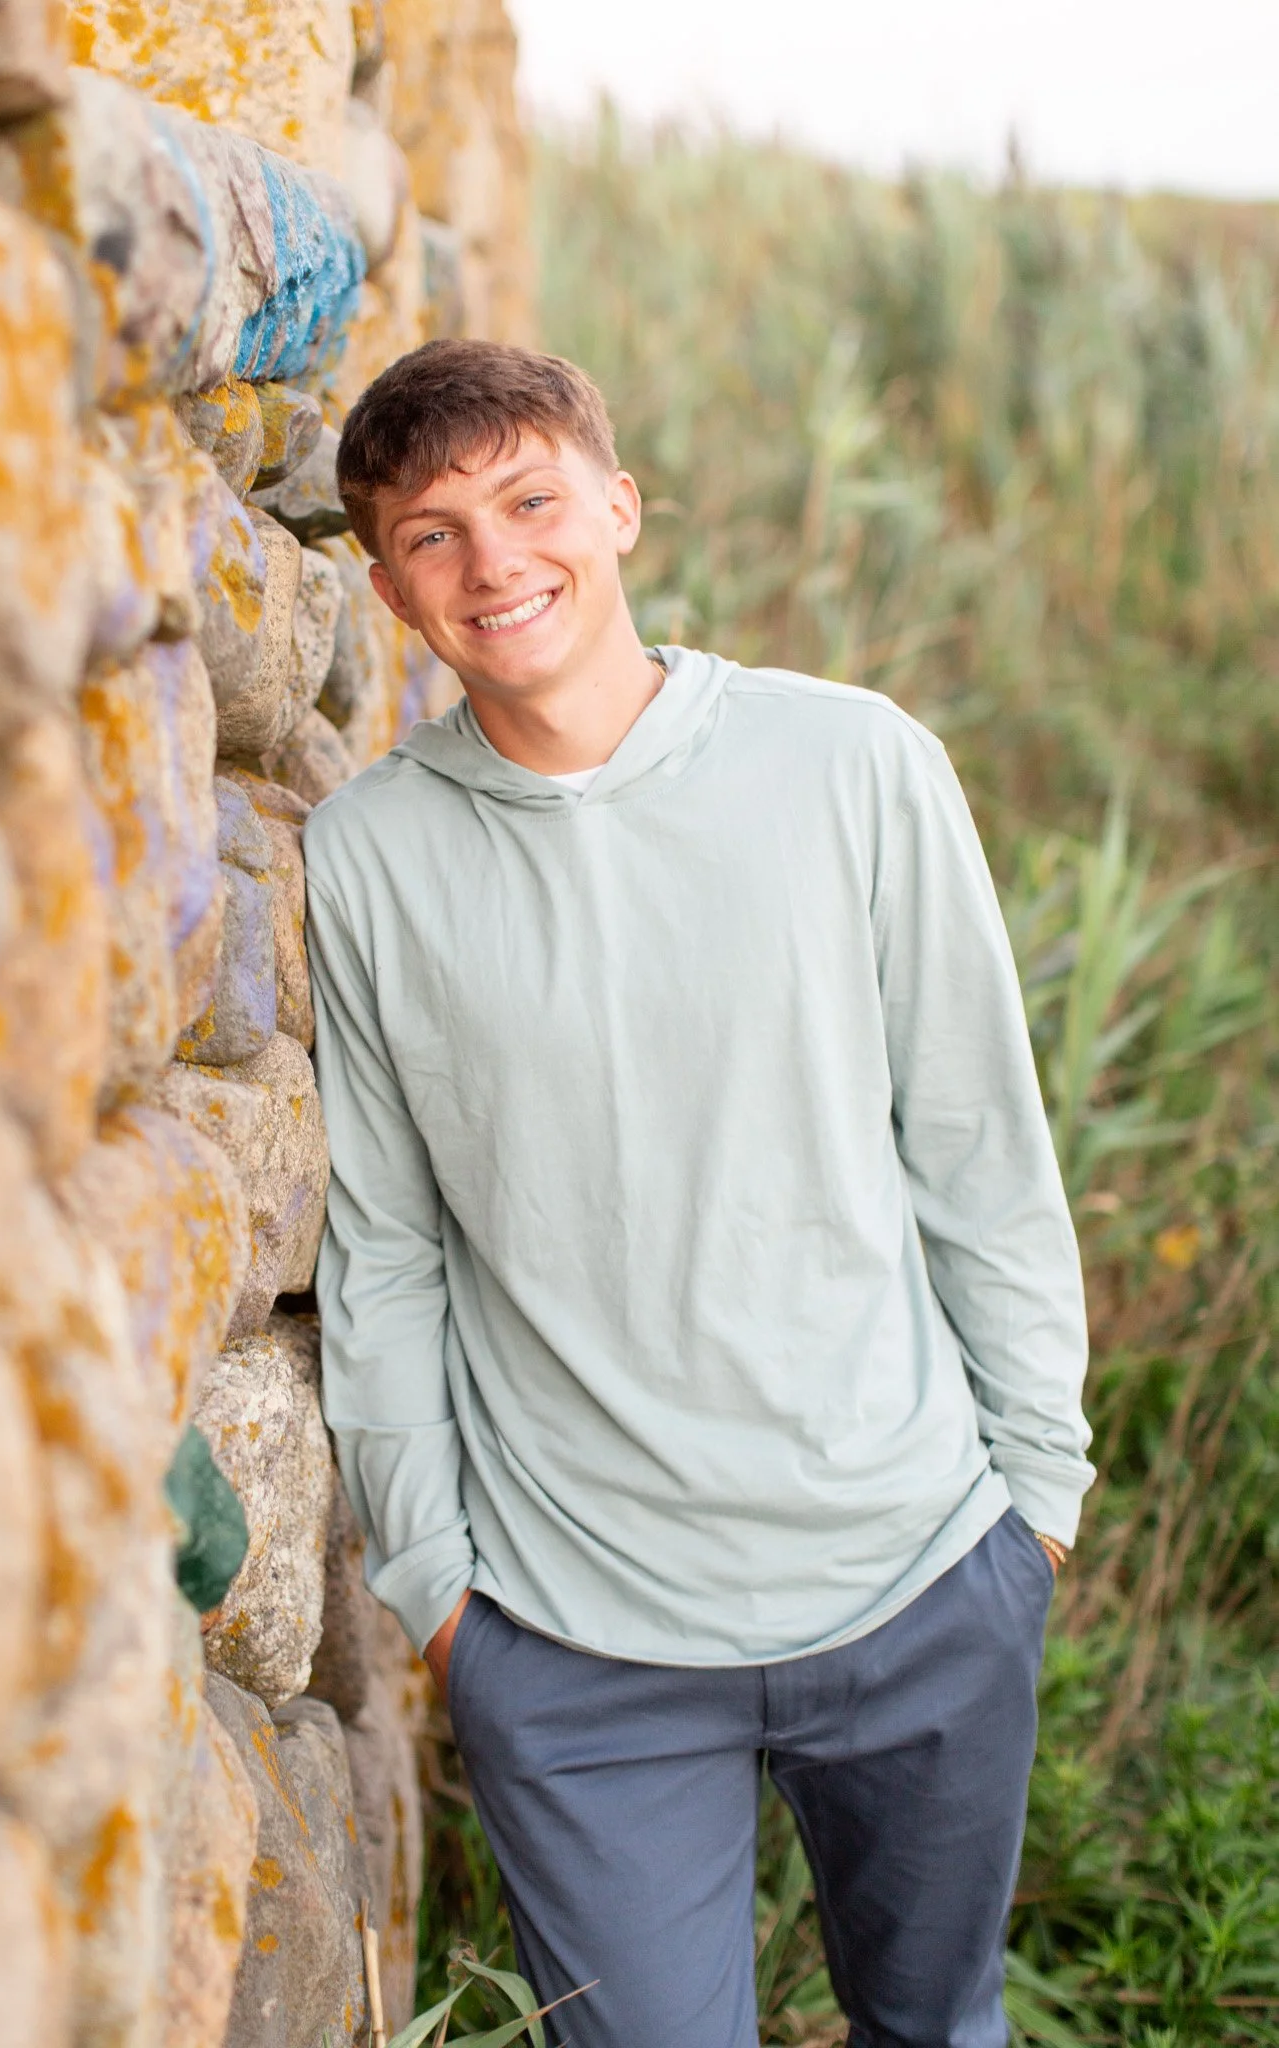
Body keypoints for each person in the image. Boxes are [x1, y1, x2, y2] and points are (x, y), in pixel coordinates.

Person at [303, 337, 1094, 2048]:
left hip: (917, 1573)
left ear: (620, 508)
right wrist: (438, 1585)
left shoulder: (854, 764)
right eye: (434, 535)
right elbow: (386, 1244)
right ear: (388, 589)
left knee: (936, 2031)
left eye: (530, 502)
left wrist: (1035, 1501)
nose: (494, 562)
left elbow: (977, 1146)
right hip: (574, 1640)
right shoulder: (366, 856)